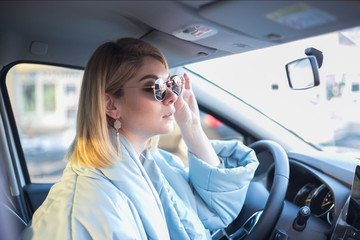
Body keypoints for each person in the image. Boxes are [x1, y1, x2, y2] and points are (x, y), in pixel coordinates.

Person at [22, 38, 259, 239]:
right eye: (155, 87)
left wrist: (191, 125)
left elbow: (216, 211)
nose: (171, 98)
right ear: (111, 104)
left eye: (171, 84)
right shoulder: (88, 207)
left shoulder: (154, 162)